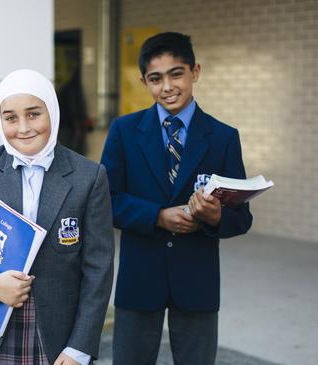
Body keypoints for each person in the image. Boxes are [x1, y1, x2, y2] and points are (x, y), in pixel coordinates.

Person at [0, 69, 115, 365]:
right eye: (10, 118)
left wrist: (79, 348)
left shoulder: (89, 176)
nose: (23, 127)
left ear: (52, 112)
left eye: (33, 114)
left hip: (58, 340)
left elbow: (98, 269)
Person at [101, 32, 253, 364]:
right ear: (144, 81)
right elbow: (105, 201)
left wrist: (214, 217)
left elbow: (241, 217)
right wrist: (157, 215)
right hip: (140, 280)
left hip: (196, 282)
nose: (167, 86)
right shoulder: (124, 132)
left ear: (195, 71)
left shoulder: (223, 137)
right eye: (155, 79)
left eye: (176, 74)